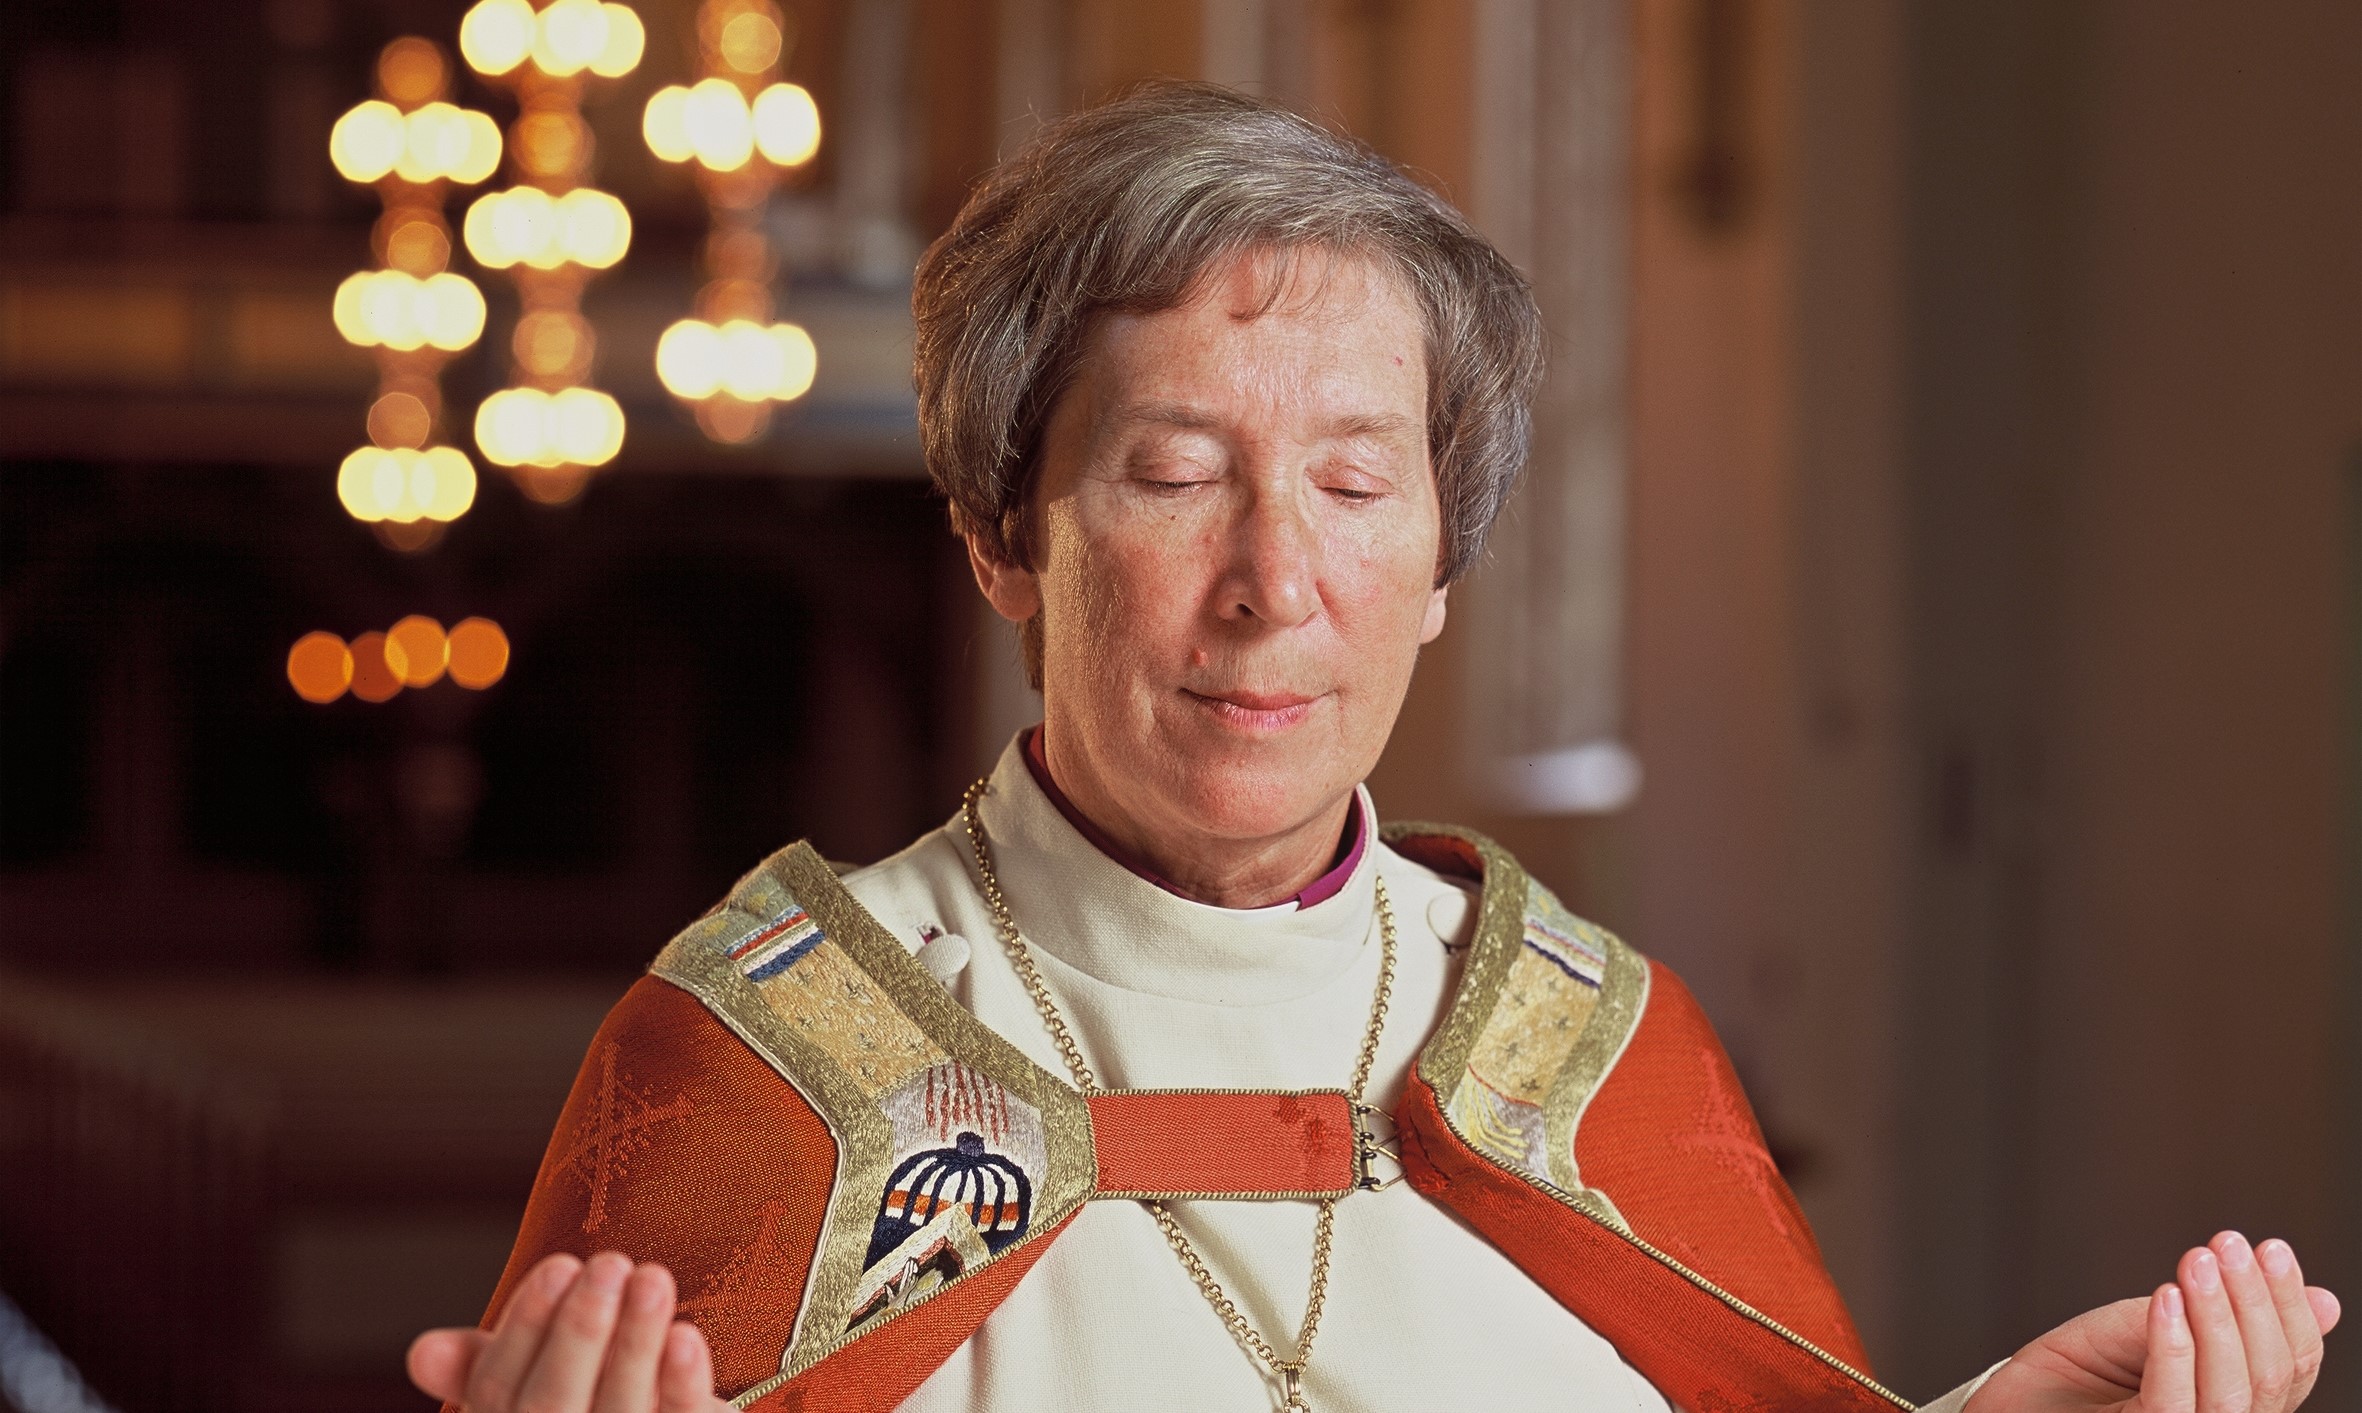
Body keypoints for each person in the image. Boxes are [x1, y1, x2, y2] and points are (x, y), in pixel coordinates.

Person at [407, 83, 2338, 1413]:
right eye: (1176, 474)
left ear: (1438, 568)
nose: (1275, 585)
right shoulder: (762, 1058)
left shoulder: (1588, 1045)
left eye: (1353, 485)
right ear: (1004, 536)